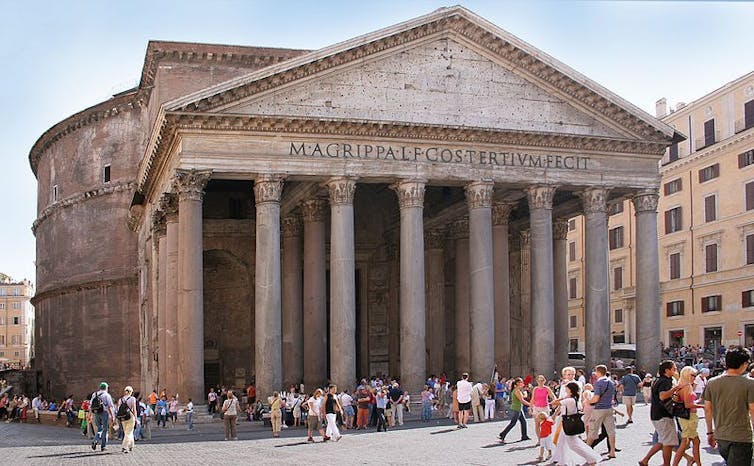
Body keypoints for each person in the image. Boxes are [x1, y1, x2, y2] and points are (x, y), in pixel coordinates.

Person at [703, 345, 754, 466]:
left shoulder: (712, 382)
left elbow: (707, 410)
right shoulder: (749, 384)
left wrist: (710, 433)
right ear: (744, 364)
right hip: (741, 437)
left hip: (721, 436)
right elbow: (753, 410)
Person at [639, 360, 682, 466]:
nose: (676, 370)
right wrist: (675, 389)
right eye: (674, 368)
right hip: (663, 414)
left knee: (663, 441)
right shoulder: (665, 381)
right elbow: (662, 396)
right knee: (668, 442)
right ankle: (666, 464)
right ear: (667, 370)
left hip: (657, 414)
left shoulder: (658, 380)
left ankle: (645, 460)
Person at [552, 382, 601, 466]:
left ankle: (592, 458)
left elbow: (554, 403)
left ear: (570, 390)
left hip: (569, 423)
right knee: (566, 442)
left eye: (566, 388)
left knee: (573, 445)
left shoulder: (569, 399)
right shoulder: (573, 398)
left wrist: (563, 397)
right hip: (569, 422)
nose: (565, 389)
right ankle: (563, 460)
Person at [671, 366, 702, 466]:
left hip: (686, 416)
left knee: (694, 441)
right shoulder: (687, 386)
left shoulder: (682, 385)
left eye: (695, 375)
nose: (694, 377)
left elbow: (687, 402)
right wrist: (703, 406)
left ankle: (697, 463)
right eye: (692, 375)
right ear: (687, 375)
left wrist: (699, 401)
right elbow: (688, 404)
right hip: (689, 416)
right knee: (685, 442)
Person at [585, 365, 616, 459]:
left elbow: (596, 398)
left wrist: (588, 401)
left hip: (599, 409)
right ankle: (612, 451)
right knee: (611, 431)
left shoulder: (598, 383)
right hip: (609, 408)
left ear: (598, 372)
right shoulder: (611, 382)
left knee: (593, 430)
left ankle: (586, 451)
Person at [498, 377, 531, 443]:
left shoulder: (517, 390)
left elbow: (522, 397)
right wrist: (531, 405)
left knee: (523, 422)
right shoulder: (517, 391)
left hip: (518, 408)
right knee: (513, 423)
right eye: (521, 382)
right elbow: (522, 400)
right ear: (518, 383)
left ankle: (524, 436)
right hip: (516, 408)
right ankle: (502, 434)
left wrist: (525, 393)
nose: (523, 383)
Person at [90, 382, 115, 452]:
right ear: (106, 388)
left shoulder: (94, 394)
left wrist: (90, 414)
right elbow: (110, 406)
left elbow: (91, 405)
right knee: (105, 430)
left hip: (96, 413)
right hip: (104, 413)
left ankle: (95, 440)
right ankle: (103, 446)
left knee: (99, 428)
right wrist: (113, 416)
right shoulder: (107, 395)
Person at [531, 375, 556, 444]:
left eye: (542, 380)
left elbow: (552, 396)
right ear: (537, 381)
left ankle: (546, 438)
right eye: (539, 381)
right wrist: (531, 408)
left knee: (546, 424)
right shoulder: (535, 389)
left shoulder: (547, 388)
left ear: (544, 381)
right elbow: (532, 399)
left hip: (545, 408)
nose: (540, 382)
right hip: (536, 408)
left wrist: (554, 402)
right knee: (537, 424)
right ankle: (539, 440)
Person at [116, 386, 137, 454]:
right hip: (130, 416)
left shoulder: (120, 399)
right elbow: (134, 409)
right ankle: (124, 447)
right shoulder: (132, 399)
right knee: (129, 432)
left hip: (123, 417)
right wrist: (136, 418)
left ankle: (131, 445)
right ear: (130, 392)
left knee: (127, 432)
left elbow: (118, 409)